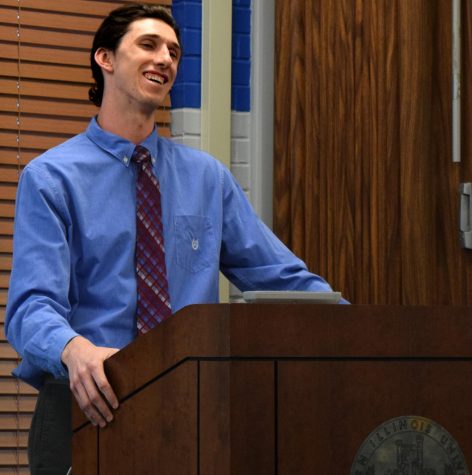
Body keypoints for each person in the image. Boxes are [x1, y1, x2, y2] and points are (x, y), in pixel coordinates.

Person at [5, 3, 347, 473]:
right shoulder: (49, 178)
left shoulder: (207, 178)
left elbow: (282, 278)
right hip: (87, 404)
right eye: (148, 45)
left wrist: (357, 332)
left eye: (173, 51)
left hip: (189, 402)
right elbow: (29, 309)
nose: (165, 58)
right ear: (104, 58)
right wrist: (73, 349)